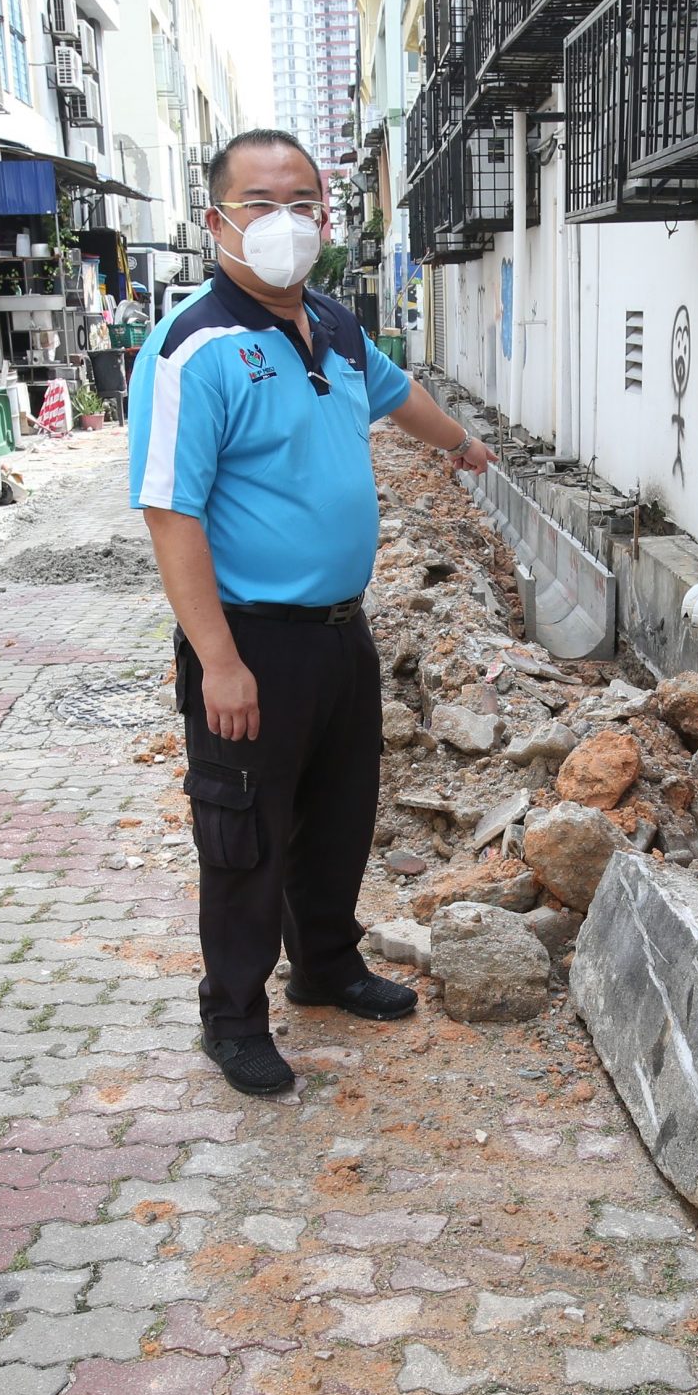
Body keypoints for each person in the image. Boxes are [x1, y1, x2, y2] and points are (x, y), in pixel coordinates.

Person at [131, 128, 499, 1096]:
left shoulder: (333, 325)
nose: (286, 222)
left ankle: (326, 966)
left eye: (304, 202)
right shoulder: (192, 349)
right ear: (216, 222)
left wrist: (460, 442)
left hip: (342, 631)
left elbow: (395, 393)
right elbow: (170, 512)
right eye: (261, 203)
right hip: (250, 639)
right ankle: (234, 1016)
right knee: (245, 836)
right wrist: (217, 660)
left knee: (339, 814)